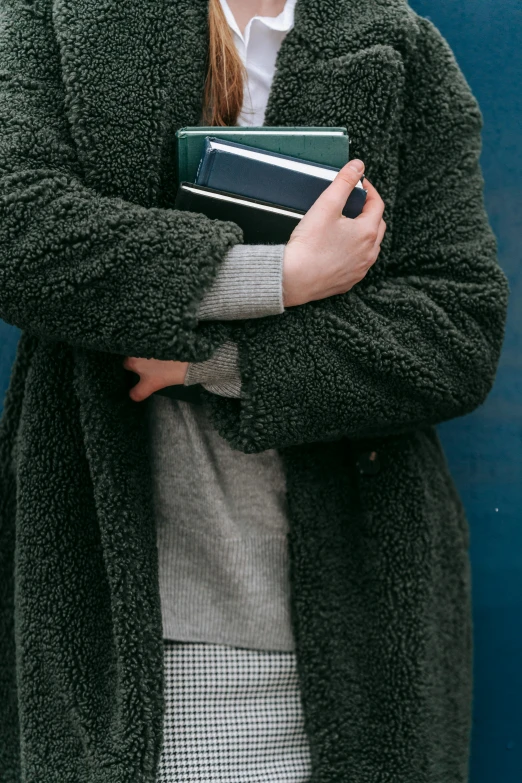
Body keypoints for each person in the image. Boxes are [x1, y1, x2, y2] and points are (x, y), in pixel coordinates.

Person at [0, 0, 509, 782]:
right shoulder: (58, 16)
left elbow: (457, 326)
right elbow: (19, 226)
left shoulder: (398, 45)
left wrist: (216, 358)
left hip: (354, 642)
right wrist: (280, 277)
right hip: (134, 637)